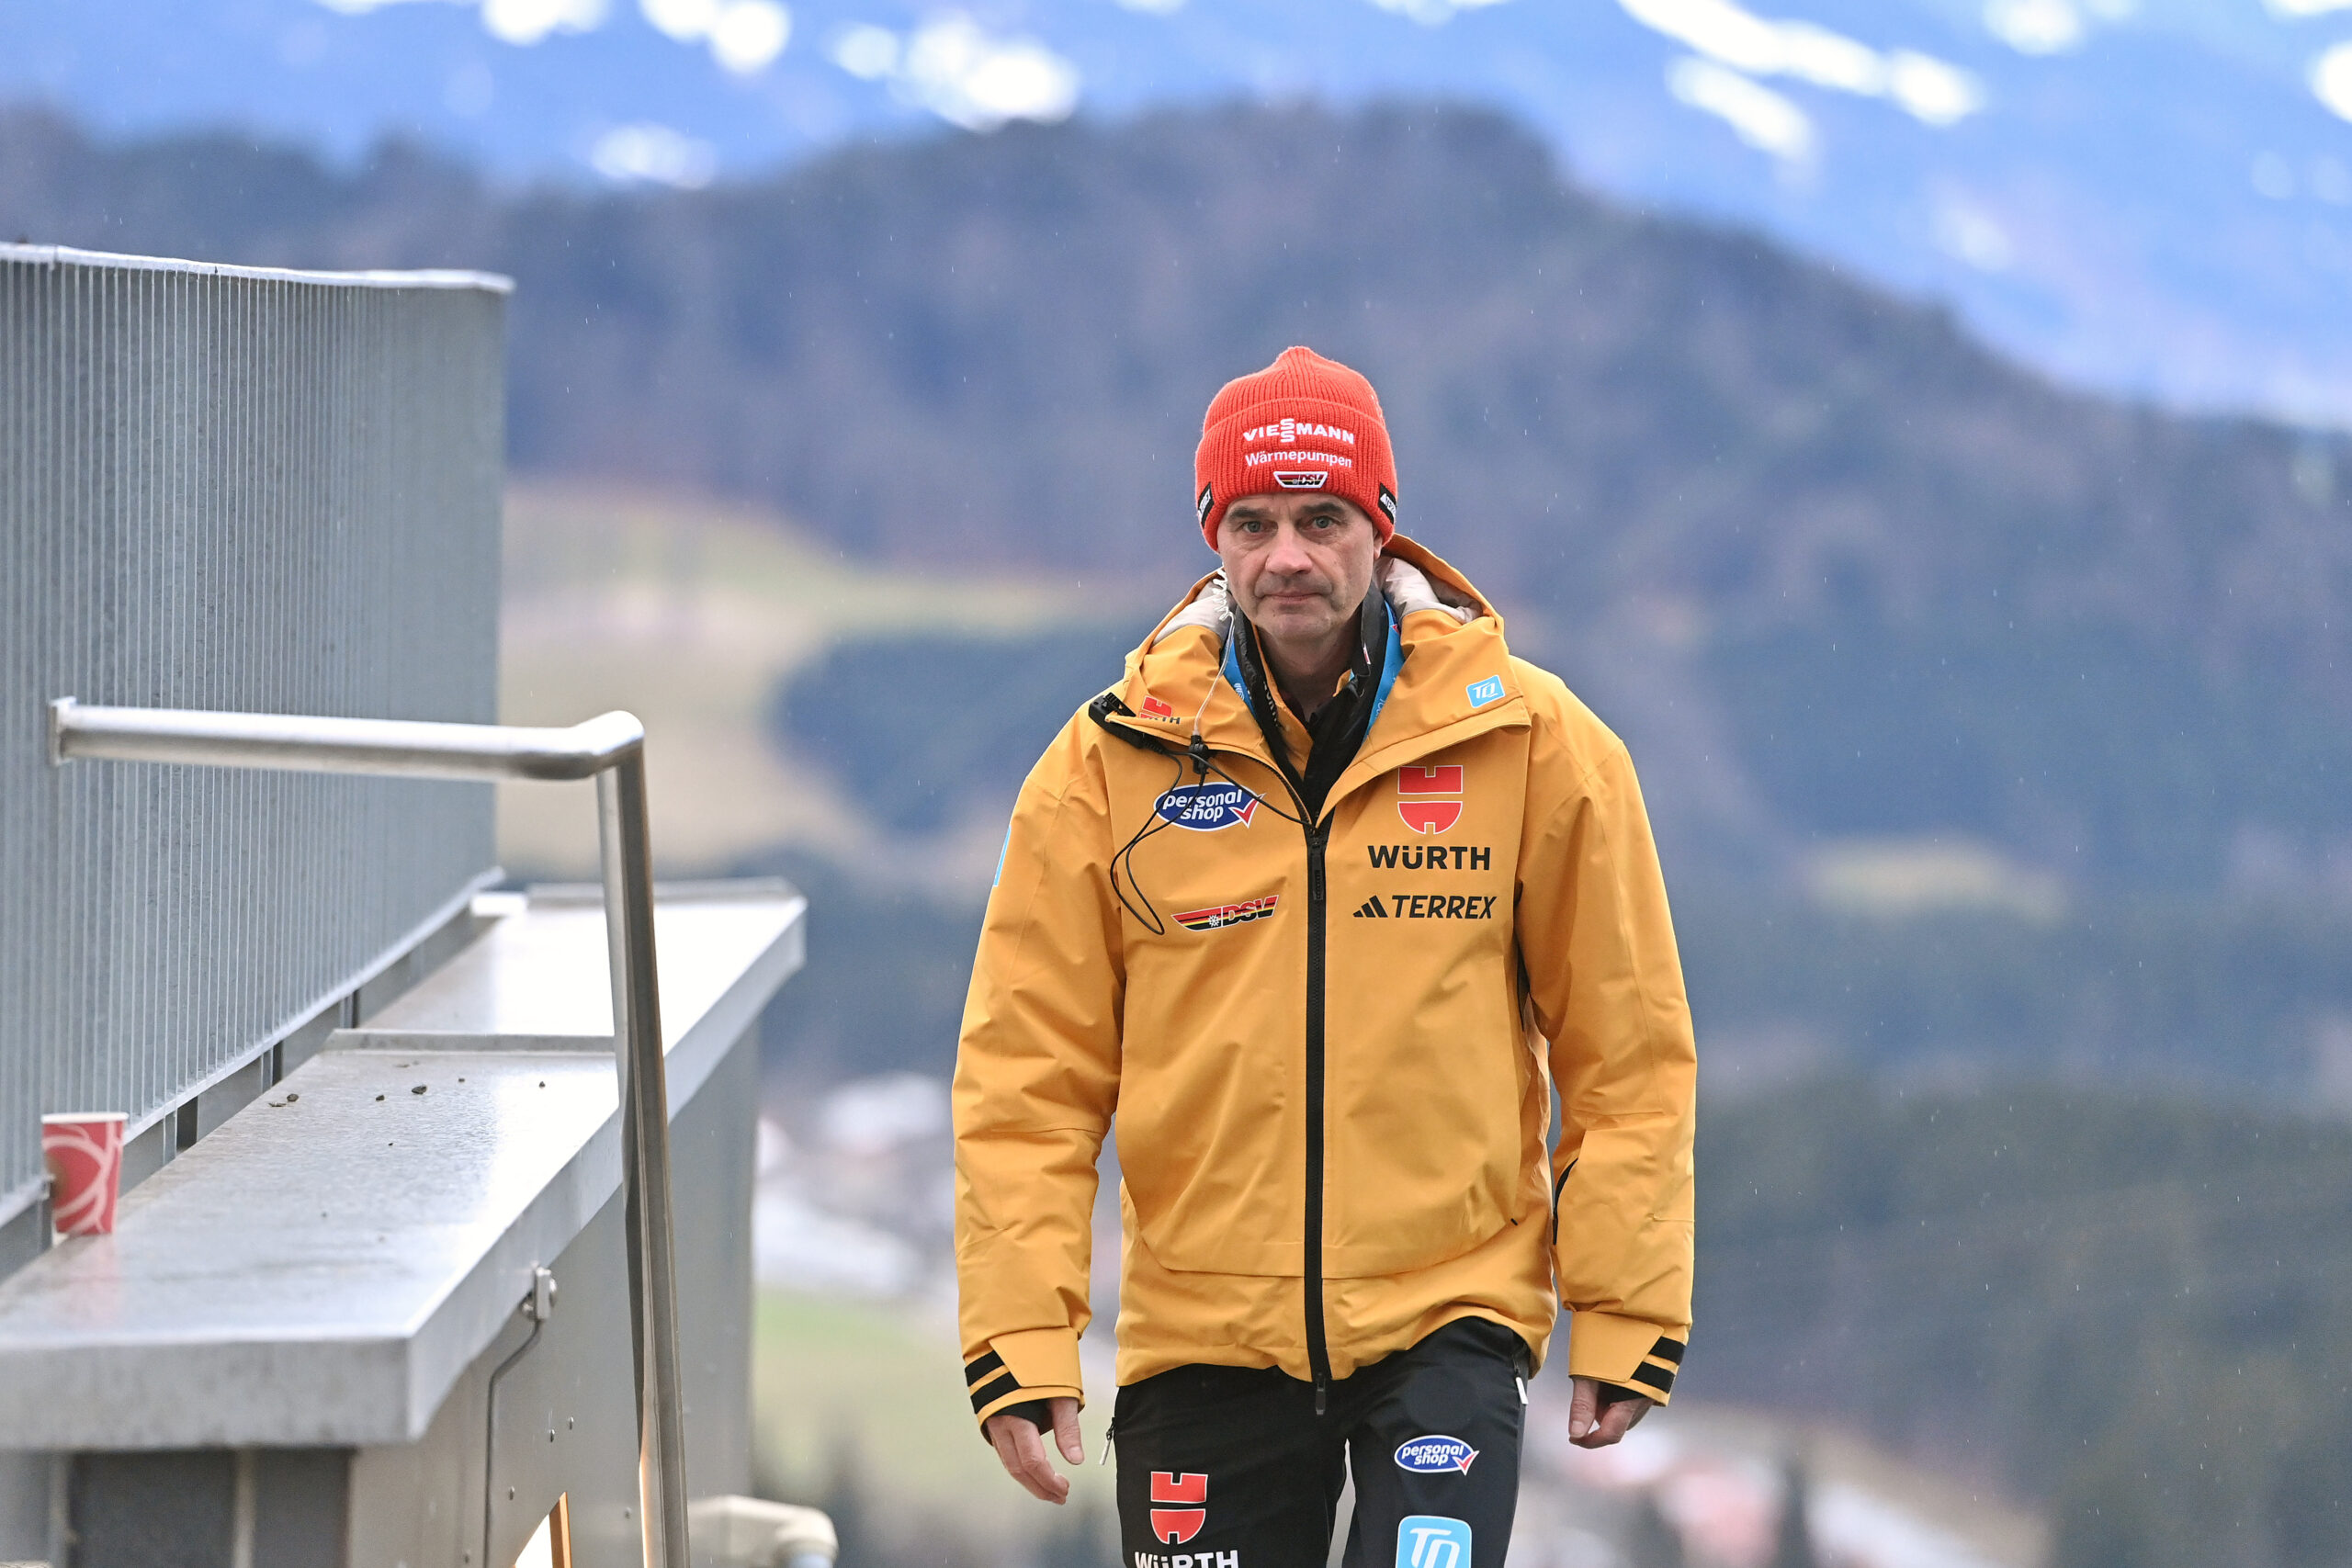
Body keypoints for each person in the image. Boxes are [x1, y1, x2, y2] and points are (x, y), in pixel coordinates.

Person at [953, 346, 1697, 1568]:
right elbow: (1026, 1087)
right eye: (1253, 522)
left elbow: (1628, 1054)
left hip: (1448, 1323)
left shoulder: (1538, 745)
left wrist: (1624, 1311)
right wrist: (1022, 1343)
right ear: (1212, 533)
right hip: (1200, 1334)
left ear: (1383, 529)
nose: (1286, 555)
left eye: (1321, 518)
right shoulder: (1103, 766)